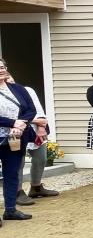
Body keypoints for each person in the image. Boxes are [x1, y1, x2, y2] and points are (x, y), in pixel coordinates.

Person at [5, 74, 58, 204]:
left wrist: (41, 126)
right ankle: (17, 192)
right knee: (18, 162)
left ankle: (36, 187)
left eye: (10, 78)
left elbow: (37, 110)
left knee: (41, 158)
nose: (9, 81)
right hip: (13, 132)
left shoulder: (26, 91)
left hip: (34, 130)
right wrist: (29, 121)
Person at [0, 58, 38, 223]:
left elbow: (31, 109)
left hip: (14, 138)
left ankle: (10, 210)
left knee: (12, 174)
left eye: (2, 66)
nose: (1, 69)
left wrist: (22, 124)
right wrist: (12, 123)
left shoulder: (18, 88)